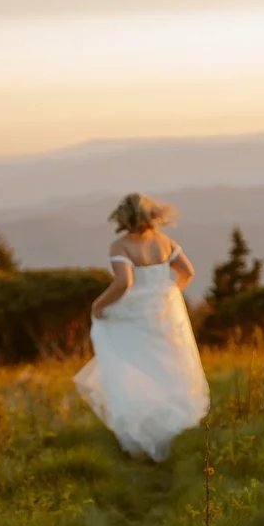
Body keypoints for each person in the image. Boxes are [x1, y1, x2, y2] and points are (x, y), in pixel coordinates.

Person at [75, 193, 210, 460]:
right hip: (164, 311)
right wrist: (170, 294)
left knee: (133, 364)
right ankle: (175, 426)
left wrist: (98, 305)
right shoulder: (165, 242)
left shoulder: (120, 246)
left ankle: (142, 432)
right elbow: (188, 272)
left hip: (134, 313)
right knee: (170, 365)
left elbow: (124, 284)